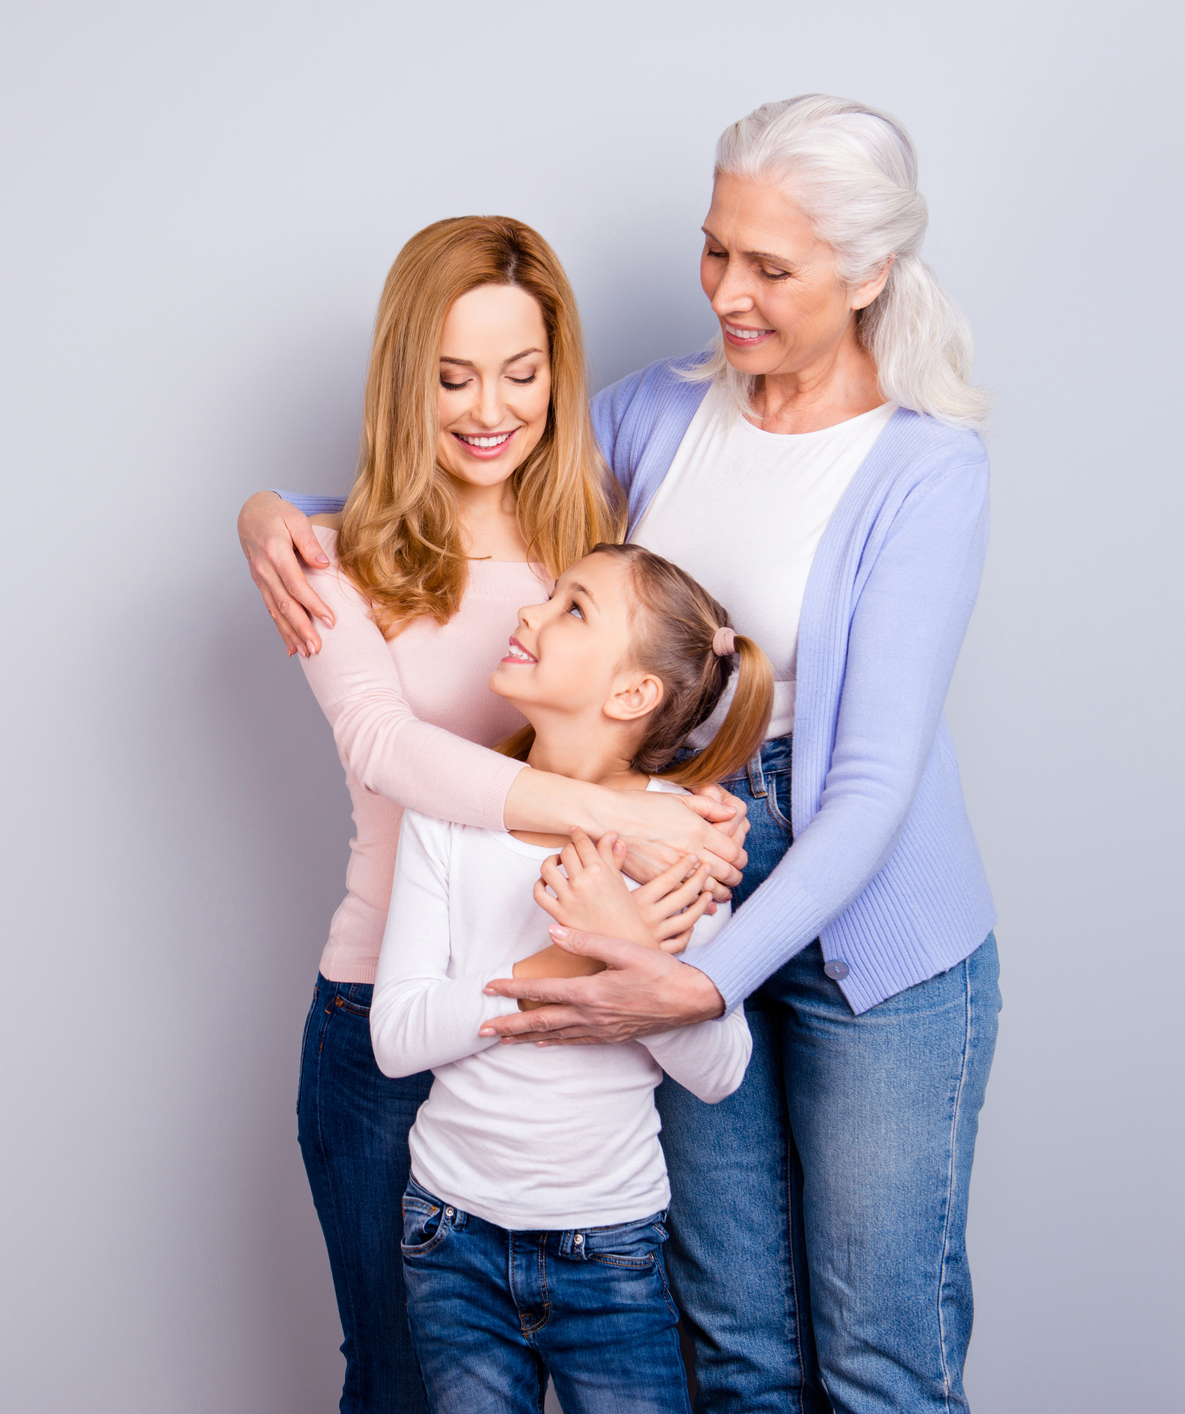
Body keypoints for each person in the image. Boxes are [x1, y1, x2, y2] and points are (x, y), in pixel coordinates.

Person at [242, 97, 1003, 1413]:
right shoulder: (658, 412)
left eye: (769, 266)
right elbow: (463, 492)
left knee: (878, 1361)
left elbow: (869, 788)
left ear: (867, 272)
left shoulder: (922, 470)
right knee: (733, 1345)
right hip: (660, 857)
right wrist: (279, 515)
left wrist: (695, 982)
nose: (724, 291)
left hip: (848, 913)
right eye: (716, 251)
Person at [282, 215, 750, 1414]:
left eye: (522, 371)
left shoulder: (592, 547)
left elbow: (666, 688)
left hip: (595, 1049)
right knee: (392, 1385)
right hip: (383, 1014)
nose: (489, 406)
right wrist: (630, 838)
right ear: (405, 383)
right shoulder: (334, 566)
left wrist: (692, 822)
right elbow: (389, 750)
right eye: (451, 377)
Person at [373, 542, 770, 1414]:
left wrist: (642, 962)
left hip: (611, 1246)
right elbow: (396, 1040)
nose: (528, 614)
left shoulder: (679, 840)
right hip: (450, 1234)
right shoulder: (451, 814)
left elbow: (719, 1071)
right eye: (550, 597)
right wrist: (573, 960)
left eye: (572, 609)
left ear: (632, 694)